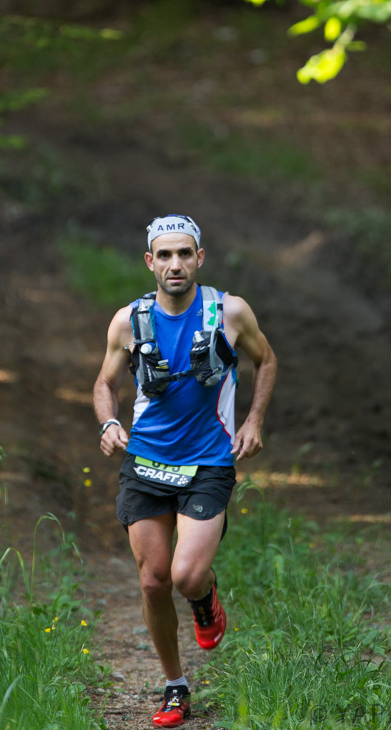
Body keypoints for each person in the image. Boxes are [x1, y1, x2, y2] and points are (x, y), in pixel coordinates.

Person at [93, 215, 276, 728]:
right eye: (165, 255)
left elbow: (267, 360)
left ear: (200, 257)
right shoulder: (129, 320)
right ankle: (176, 687)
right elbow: (103, 383)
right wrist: (108, 422)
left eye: (185, 254)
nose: (176, 264)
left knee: (186, 574)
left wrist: (254, 421)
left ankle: (205, 597)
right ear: (150, 262)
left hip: (209, 461)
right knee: (153, 582)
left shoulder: (229, 311)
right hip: (146, 462)